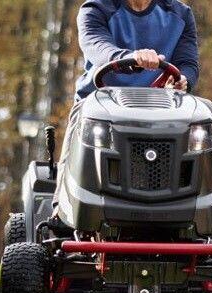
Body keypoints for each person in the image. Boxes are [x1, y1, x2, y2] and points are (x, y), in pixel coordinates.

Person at [53, 0, 200, 207]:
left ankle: (191, 207)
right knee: (83, 115)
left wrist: (183, 79)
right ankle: (62, 207)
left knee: (200, 122)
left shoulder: (180, 14)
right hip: (102, 106)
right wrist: (131, 58)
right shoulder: (95, 10)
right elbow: (99, 49)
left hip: (159, 109)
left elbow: (188, 63)